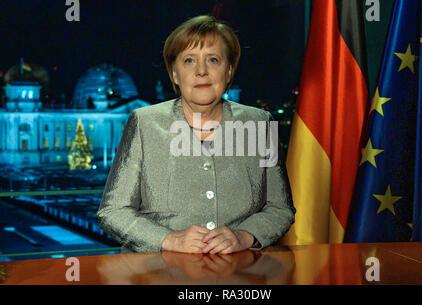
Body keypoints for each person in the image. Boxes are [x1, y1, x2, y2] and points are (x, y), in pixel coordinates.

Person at [97, 15, 295, 254]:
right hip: (157, 274)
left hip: (238, 277)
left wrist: (244, 236)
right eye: (189, 60)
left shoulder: (261, 123)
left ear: (229, 71)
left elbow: (280, 208)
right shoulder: (143, 123)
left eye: (213, 60)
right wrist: (169, 240)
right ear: (174, 74)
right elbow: (112, 212)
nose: (201, 71)